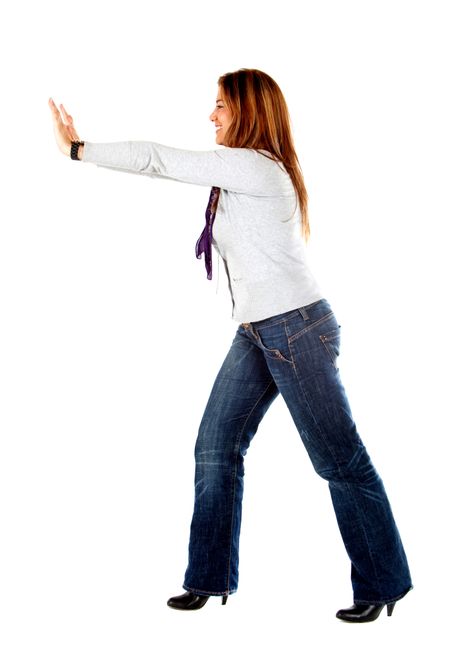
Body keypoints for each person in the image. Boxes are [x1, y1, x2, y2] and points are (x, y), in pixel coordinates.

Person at [48, 68, 412, 622]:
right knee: (216, 447)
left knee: (339, 460)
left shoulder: (253, 166)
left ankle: (384, 584)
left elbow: (160, 159)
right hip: (258, 331)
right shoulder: (246, 171)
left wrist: (77, 148)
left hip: (297, 330)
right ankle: (209, 578)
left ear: (247, 110)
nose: (211, 115)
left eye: (220, 105)